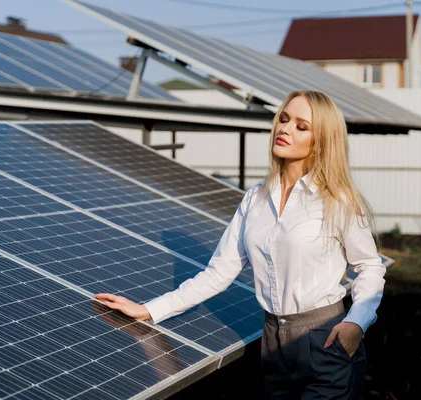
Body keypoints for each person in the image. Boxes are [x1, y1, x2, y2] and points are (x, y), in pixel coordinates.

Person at [96, 91, 387, 399]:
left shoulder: (336, 201)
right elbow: (218, 273)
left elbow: (369, 267)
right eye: (284, 119)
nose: (285, 129)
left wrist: (356, 322)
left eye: (301, 126)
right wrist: (148, 310)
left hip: (326, 337)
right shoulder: (255, 199)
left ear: (322, 141)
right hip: (273, 342)